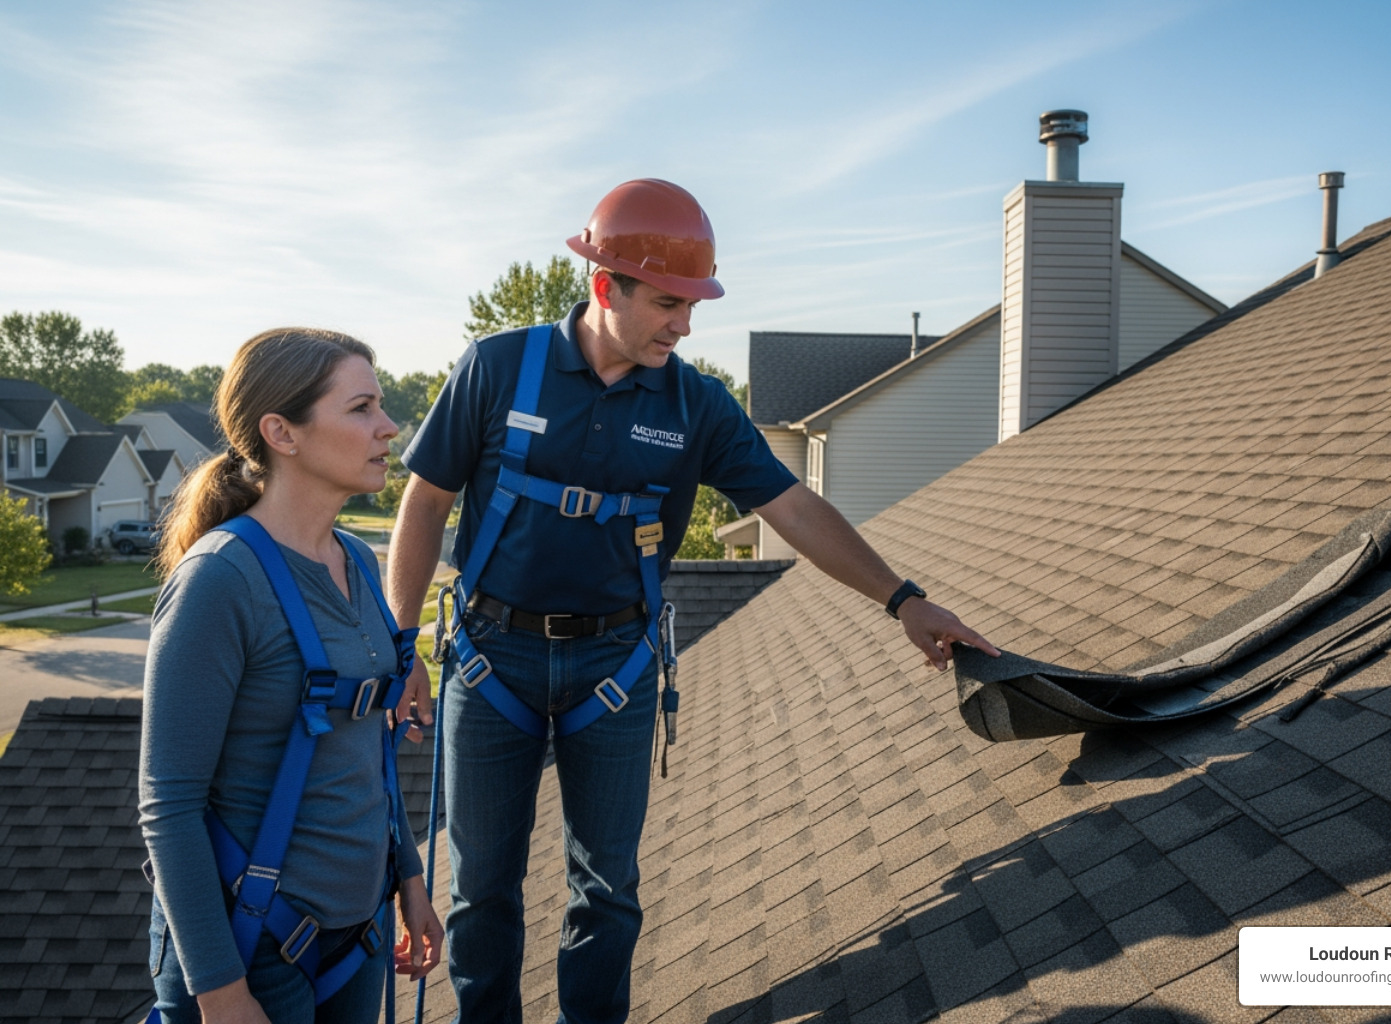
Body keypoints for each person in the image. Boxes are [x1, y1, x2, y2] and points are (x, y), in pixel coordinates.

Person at [385, 178, 998, 1023]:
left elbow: (794, 510)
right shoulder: (498, 369)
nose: (684, 325)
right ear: (607, 286)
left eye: (692, 306)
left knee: (607, 889)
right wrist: (398, 644)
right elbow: (422, 503)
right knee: (482, 887)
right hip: (494, 660)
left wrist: (902, 599)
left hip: (616, 664)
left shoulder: (694, 403)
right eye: (669, 304)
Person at [139, 328, 444, 1023]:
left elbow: (367, 748)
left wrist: (410, 877)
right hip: (252, 954)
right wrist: (220, 993)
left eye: (382, 406)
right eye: (362, 408)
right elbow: (169, 805)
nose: (388, 427)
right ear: (283, 432)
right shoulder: (220, 580)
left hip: (357, 940)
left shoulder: (360, 564)